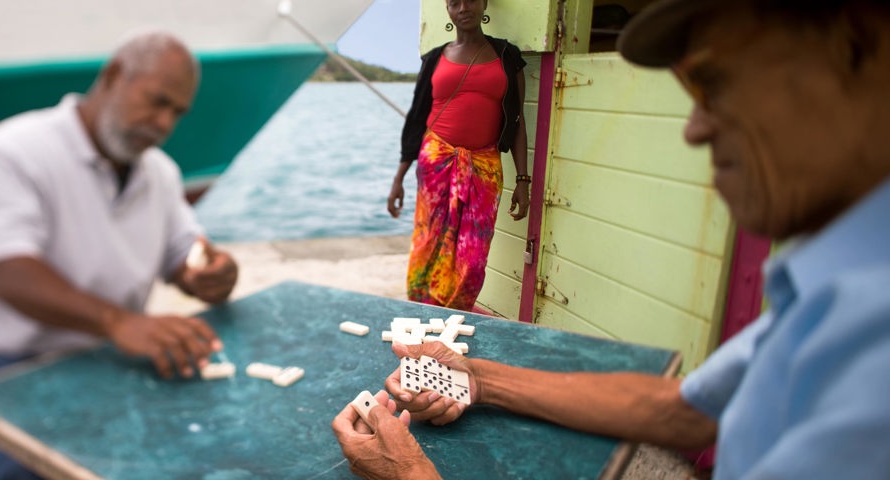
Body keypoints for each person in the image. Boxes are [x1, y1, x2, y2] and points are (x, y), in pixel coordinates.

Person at [333, 0, 890, 478]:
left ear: (863, 46)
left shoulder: (871, 359)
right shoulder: (839, 287)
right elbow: (687, 411)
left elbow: (514, 124)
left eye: (717, 82)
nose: (694, 128)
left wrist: (412, 472)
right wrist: (480, 378)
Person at [0, 30, 238, 479]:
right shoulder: (12, 151)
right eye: (157, 100)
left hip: (110, 355)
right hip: (9, 368)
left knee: (215, 447)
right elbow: (8, 271)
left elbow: (186, 253)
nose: (163, 123)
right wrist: (119, 322)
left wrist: (210, 273)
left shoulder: (160, 173)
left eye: (176, 112)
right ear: (113, 76)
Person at [387, 0, 531, 311]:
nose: (464, 7)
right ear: (448, 10)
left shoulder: (507, 56)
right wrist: (398, 178)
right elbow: (416, 120)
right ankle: (421, 314)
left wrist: (523, 180)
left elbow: (518, 121)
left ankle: (456, 314)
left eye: (471, 0)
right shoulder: (434, 59)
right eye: (454, 2)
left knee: (473, 253)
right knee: (429, 245)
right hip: (436, 162)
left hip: (485, 164)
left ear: (484, 4)